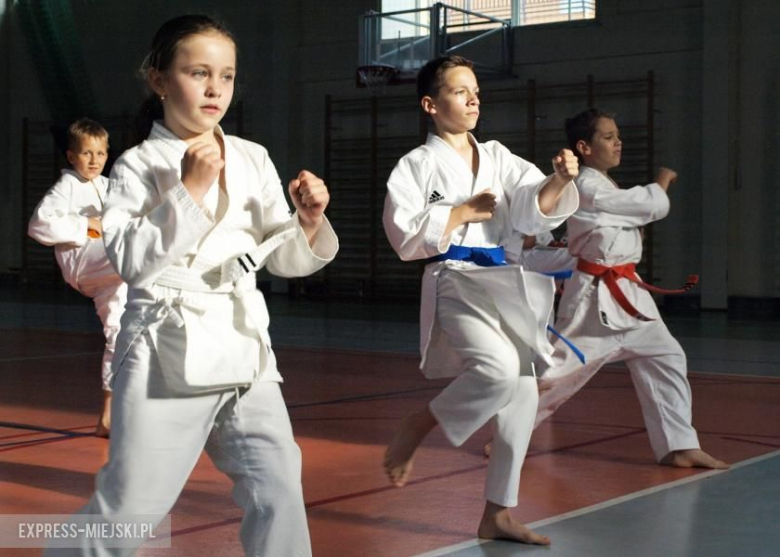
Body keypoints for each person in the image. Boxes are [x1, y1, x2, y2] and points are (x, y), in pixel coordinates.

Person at [47, 15, 338, 556]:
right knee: (132, 508)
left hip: (245, 345)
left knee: (278, 488)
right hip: (166, 345)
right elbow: (133, 262)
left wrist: (309, 220)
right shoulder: (136, 165)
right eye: (197, 72)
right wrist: (190, 190)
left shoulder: (253, 157)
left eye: (225, 76)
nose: (214, 88)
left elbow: (287, 261)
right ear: (158, 80)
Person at [382, 55, 579, 546]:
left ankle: (497, 513)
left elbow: (535, 208)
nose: (473, 98)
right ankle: (419, 423)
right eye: (459, 91)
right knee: (494, 371)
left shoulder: (496, 156)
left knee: (524, 390)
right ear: (431, 104)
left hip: (503, 278)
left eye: (475, 91)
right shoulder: (416, 165)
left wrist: (558, 179)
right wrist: (461, 212)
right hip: (454, 276)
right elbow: (404, 236)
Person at [535, 108, 728, 470]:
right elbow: (643, 207)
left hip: (629, 297)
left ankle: (679, 445)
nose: (618, 142)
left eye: (617, 135)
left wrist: (651, 198)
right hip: (594, 302)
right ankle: (506, 434)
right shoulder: (587, 186)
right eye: (608, 137)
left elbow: (634, 213)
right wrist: (662, 182)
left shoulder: (603, 185)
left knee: (667, 358)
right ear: (584, 147)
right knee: (556, 375)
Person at [28, 118, 126, 438]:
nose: (95, 160)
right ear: (72, 157)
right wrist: (88, 226)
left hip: (112, 277)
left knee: (120, 336)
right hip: (84, 264)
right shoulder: (66, 186)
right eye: (87, 153)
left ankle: (108, 417)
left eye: (100, 153)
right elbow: (38, 226)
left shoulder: (109, 185)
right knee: (141, 254)